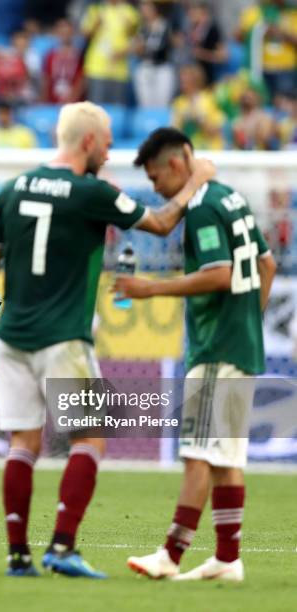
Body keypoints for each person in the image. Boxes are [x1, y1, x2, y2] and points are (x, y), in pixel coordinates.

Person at [0, 102, 215, 577]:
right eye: (106, 142)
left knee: (23, 443)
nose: (109, 151)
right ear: (87, 141)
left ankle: (18, 555)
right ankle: (62, 547)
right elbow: (163, 223)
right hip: (64, 336)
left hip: (13, 335)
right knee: (90, 440)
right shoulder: (91, 192)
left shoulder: (12, 188)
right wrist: (197, 179)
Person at [114, 127, 277, 581]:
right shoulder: (230, 197)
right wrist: (249, 321)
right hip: (238, 343)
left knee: (198, 455)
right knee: (225, 459)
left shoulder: (203, 209)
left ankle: (171, 554)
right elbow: (268, 264)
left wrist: (150, 289)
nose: (155, 188)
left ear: (177, 164)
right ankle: (227, 559)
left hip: (217, 346)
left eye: (155, 177)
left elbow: (220, 274)